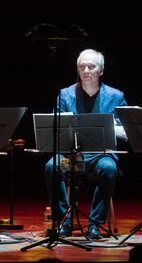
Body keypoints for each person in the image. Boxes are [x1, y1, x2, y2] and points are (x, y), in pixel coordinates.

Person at [45, 49, 128, 239]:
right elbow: (56, 128)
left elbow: (126, 131)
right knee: (52, 166)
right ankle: (64, 221)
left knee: (108, 168)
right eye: (82, 66)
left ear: (101, 70)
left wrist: (110, 128)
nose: (87, 70)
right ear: (77, 70)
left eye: (92, 66)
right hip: (71, 159)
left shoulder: (116, 96)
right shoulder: (65, 95)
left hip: (100, 157)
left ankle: (95, 225)